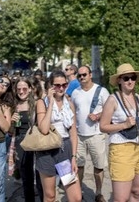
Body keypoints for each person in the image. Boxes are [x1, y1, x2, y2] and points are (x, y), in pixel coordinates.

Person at [99, 63, 139, 202]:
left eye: (133, 77)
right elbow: (103, 126)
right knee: (121, 198)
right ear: (119, 80)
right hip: (121, 149)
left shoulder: (138, 98)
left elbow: (137, 122)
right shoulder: (112, 99)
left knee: (137, 193)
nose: (130, 81)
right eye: (126, 78)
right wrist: (124, 124)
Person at [36, 70, 82, 202]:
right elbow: (44, 129)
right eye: (57, 85)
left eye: (64, 85)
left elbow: (73, 133)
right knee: (50, 196)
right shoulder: (42, 103)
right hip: (46, 150)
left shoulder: (70, 104)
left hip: (64, 149)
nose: (61, 88)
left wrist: (73, 157)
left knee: (76, 197)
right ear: (50, 86)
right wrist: (50, 102)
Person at [71, 66, 109, 202]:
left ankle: (98, 193)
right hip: (79, 135)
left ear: (90, 75)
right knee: (79, 166)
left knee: (98, 166)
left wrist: (98, 115)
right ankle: (78, 193)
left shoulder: (102, 91)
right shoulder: (75, 92)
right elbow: (72, 113)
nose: (82, 77)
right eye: (79, 76)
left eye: (84, 75)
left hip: (96, 134)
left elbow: (110, 110)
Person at [11, 77, 43, 202]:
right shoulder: (14, 105)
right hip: (20, 142)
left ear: (30, 89)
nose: (21, 91)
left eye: (24, 88)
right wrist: (11, 121)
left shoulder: (36, 103)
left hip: (35, 140)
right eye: (19, 89)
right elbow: (9, 130)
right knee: (26, 176)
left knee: (40, 175)